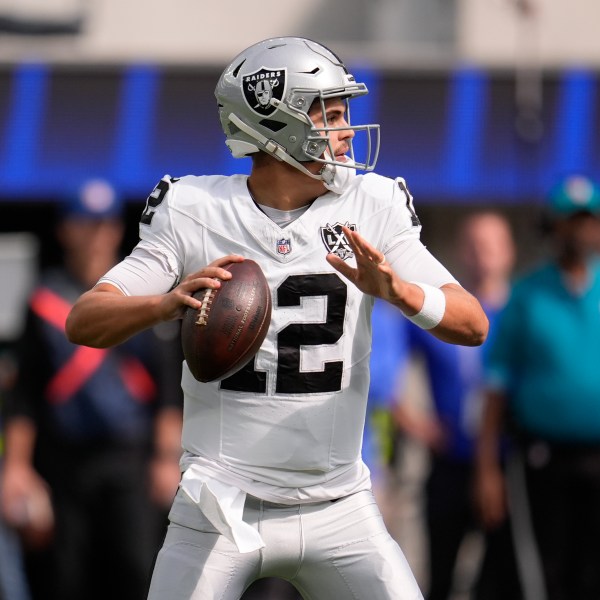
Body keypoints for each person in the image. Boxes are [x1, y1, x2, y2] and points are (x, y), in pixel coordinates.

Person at [65, 37, 488, 600]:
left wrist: (401, 293)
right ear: (278, 122)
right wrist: (163, 304)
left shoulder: (374, 206)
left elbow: (473, 323)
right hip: (220, 500)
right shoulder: (195, 209)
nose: (345, 131)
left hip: (339, 502)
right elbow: (85, 319)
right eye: (331, 114)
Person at [0, 179, 183, 600]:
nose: (96, 234)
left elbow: (169, 389)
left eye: (104, 224)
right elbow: (24, 394)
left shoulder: (145, 295)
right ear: (65, 229)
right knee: (66, 577)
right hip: (63, 461)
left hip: (130, 457)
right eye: (85, 223)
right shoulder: (44, 299)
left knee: (138, 569)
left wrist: (166, 457)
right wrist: (17, 469)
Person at [475, 174, 600, 600]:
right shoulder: (527, 296)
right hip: (542, 460)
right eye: (572, 220)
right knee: (545, 573)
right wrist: (487, 469)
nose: (582, 230)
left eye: (588, 219)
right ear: (553, 227)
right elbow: (496, 387)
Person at [395, 211, 522, 599]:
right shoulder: (442, 312)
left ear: (510, 252)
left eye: (491, 244)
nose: (482, 254)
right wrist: (418, 426)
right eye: (474, 244)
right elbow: (382, 374)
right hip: (450, 459)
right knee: (441, 576)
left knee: (507, 577)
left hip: (510, 465)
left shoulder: (524, 310)